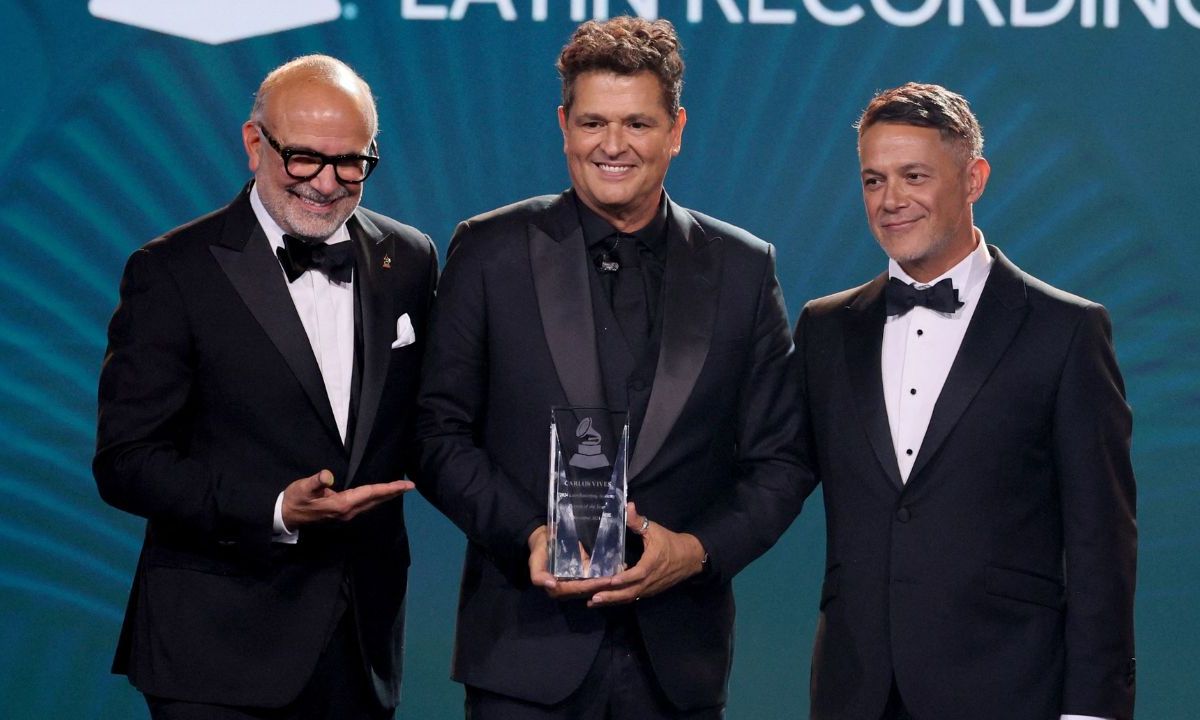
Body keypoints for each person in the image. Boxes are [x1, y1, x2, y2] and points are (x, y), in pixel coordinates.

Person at [415, 17, 804, 720]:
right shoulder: (489, 251)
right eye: (593, 122)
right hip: (524, 657)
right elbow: (437, 434)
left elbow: (782, 460)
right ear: (563, 125)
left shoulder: (744, 269)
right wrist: (526, 533)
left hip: (677, 665)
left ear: (676, 129)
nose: (613, 145)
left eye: (638, 123)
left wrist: (697, 550)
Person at [93, 55, 437, 719]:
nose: (326, 184)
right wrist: (273, 507)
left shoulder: (410, 257)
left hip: (360, 643)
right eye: (303, 158)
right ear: (255, 143)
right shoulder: (171, 272)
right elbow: (126, 462)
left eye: (351, 163)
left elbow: (429, 425)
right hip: (215, 648)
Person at [791, 82, 1136, 720]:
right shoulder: (824, 329)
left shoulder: (1065, 331)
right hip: (856, 693)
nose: (891, 200)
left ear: (973, 178)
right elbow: (775, 476)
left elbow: (1101, 543)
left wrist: (1093, 710)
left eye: (914, 175)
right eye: (873, 180)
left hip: (1010, 692)